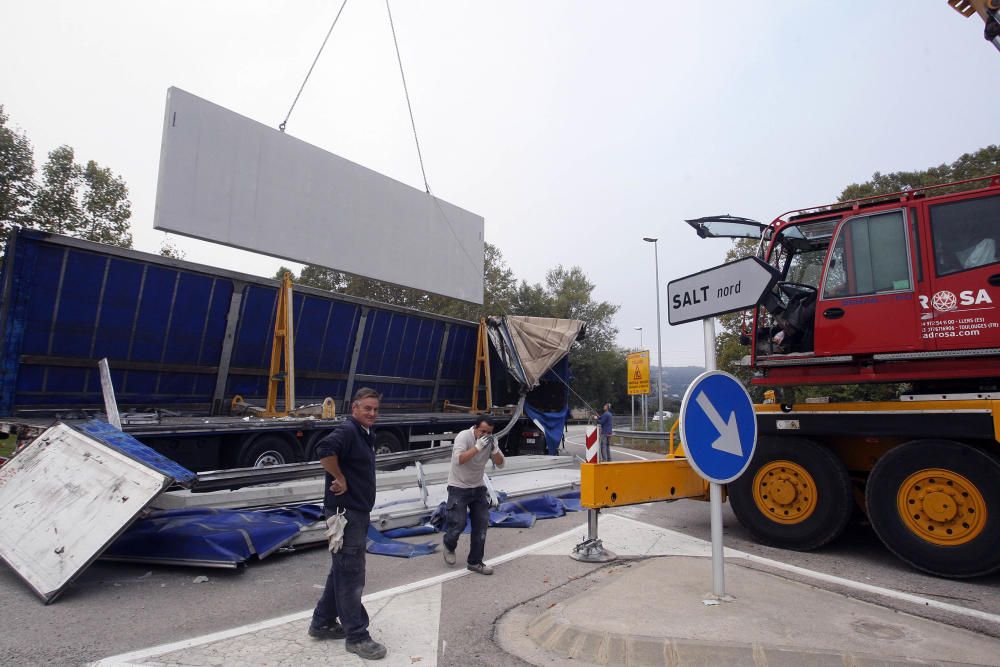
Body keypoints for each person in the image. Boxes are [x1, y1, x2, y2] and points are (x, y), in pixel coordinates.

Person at [308, 387, 387, 661]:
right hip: (345, 513)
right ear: (355, 408)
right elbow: (324, 449)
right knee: (351, 573)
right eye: (367, 408)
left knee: (342, 569)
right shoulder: (348, 430)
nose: (372, 413)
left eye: (375, 409)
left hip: (355, 512)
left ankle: (322, 622)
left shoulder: (364, 433)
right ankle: (357, 636)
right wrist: (339, 477)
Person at [442, 415, 505, 575]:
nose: (485, 435)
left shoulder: (490, 441)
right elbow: (458, 460)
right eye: (482, 431)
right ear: (475, 428)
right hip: (458, 486)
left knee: (481, 524)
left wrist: (495, 449)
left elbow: (501, 464)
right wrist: (477, 447)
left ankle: (475, 562)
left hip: (477, 487)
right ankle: (449, 545)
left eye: (489, 432)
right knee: (459, 523)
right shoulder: (464, 437)